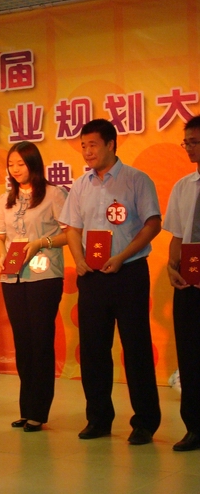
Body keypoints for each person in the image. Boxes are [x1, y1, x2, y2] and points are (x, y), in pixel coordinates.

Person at [60, 118, 162, 445]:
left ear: (110, 145)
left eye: (93, 145)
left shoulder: (136, 179)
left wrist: (121, 257)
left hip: (128, 272)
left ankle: (144, 422)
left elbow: (152, 223)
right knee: (93, 350)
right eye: (83, 146)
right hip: (91, 277)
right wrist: (78, 259)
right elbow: (72, 228)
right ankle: (99, 418)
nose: (87, 151)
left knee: (136, 348)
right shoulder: (80, 185)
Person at [0, 142, 67, 432]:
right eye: (11, 164)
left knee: (40, 341)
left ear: (33, 163)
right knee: (23, 342)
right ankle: (26, 409)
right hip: (12, 277)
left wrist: (41, 243)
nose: (15, 169)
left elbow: (71, 234)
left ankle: (39, 411)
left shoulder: (54, 194)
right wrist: (1, 253)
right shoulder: (6, 199)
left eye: (20, 164)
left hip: (44, 275)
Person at [163, 114, 200, 452]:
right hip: (189, 282)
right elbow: (177, 234)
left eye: (195, 142)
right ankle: (195, 427)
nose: (189, 148)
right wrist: (172, 266)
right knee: (190, 355)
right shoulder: (183, 186)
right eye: (186, 142)